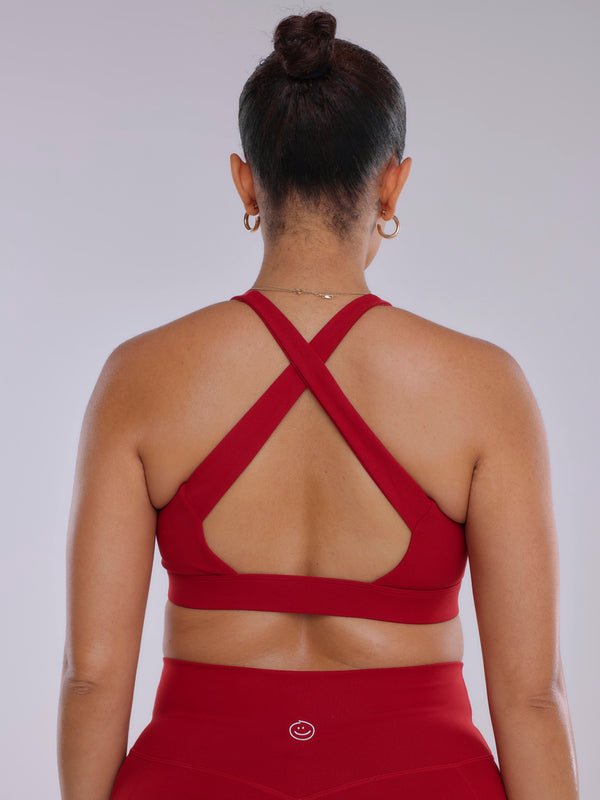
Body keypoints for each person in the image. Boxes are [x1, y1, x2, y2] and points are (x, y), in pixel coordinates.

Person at [57, 10, 579, 800]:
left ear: (245, 180)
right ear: (393, 181)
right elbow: (534, 701)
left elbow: (91, 681)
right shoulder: (484, 387)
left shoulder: (140, 376)